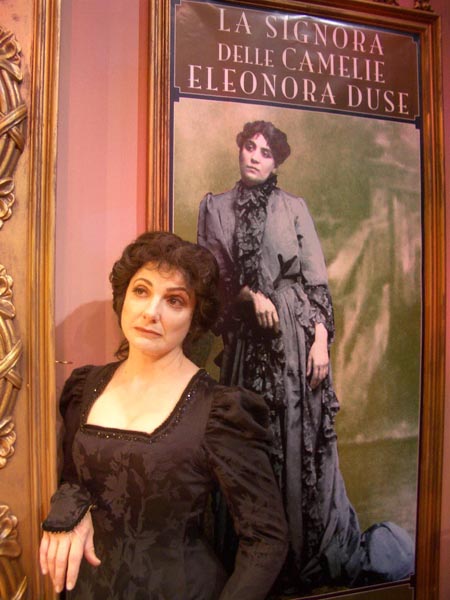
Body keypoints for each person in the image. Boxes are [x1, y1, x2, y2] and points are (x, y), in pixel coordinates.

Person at [197, 121, 414, 594]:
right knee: (249, 443)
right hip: (247, 347)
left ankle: (299, 554)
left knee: (298, 441)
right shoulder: (215, 208)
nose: (254, 157)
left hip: (296, 343)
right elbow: (214, 283)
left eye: (265, 152)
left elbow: (315, 281)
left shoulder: (293, 207)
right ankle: (255, 559)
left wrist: (320, 340)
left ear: (276, 161)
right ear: (239, 150)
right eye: (249, 147)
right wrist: (249, 297)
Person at [39, 231, 288, 599]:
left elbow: (267, 538)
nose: (151, 312)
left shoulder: (218, 411)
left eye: (174, 300)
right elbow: (73, 478)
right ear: (123, 298)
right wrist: (68, 511)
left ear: (194, 318)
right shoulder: (84, 388)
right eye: (141, 291)